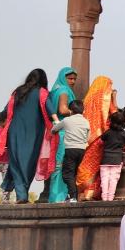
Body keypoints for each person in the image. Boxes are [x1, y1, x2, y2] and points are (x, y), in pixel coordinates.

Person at [0, 68, 54, 204]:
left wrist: (1, 117)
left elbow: (5, 111)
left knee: (16, 163)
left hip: (14, 133)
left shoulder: (18, 92)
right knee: (28, 164)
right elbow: (50, 109)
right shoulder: (42, 92)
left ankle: (21, 194)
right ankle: (22, 194)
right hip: (34, 134)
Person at [76, 75, 118, 201]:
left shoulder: (87, 100)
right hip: (100, 138)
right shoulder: (105, 98)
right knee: (95, 167)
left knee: (85, 165)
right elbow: (115, 114)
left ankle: (82, 193)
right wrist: (114, 98)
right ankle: (90, 193)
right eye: (110, 86)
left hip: (86, 138)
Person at [44, 66, 78, 203]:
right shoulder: (64, 91)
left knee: (58, 164)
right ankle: (59, 196)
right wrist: (77, 112)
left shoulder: (55, 90)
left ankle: (56, 195)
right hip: (64, 131)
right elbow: (63, 109)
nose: (73, 81)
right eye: (70, 78)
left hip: (56, 130)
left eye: (74, 79)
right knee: (63, 164)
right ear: (63, 78)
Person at [50, 100, 89, 202]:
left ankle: (73, 196)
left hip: (70, 149)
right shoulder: (86, 121)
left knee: (67, 174)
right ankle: (71, 195)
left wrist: (55, 125)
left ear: (71, 111)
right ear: (82, 111)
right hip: (81, 150)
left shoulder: (67, 120)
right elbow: (88, 137)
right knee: (74, 173)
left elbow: (54, 130)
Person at [99, 110, 125, 201]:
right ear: (123, 122)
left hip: (105, 159)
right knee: (113, 179)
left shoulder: (107, 132)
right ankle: (110, 198)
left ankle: (104, 197)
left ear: (111, 121)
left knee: (104, 179)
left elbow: (100, 142)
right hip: (117, 160)